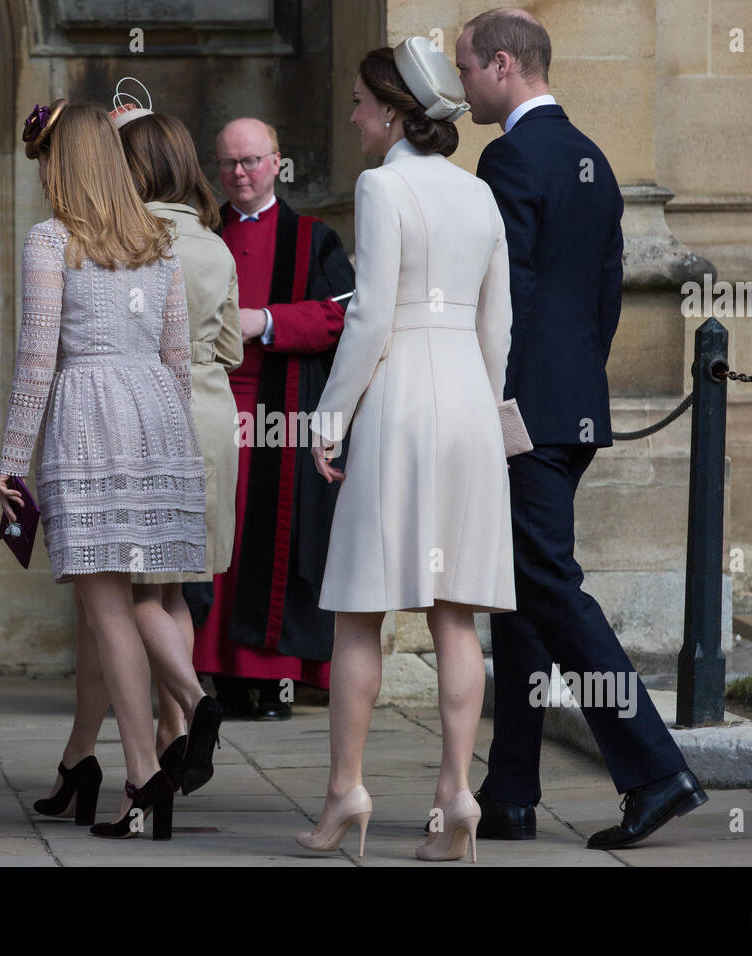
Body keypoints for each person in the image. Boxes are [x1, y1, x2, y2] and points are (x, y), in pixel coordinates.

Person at [457, 8, 707, 849]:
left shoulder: (508, 156)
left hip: (523, 410)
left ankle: (654, 768)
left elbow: (507, 302)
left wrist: (499, 406)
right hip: (574, 406)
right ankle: (512, 794)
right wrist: (569, 393)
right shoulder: (592, 157)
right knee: (522, 594)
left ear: (502, 66)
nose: (462, 88)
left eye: (466, 71)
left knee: (547, 587)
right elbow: (605, 299)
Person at [297, 38, 513, 863]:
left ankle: (345, 789)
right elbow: (499, 325)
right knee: (454, 609)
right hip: (466, 402)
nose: (352, 115)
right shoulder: (479, 194)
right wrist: (484, 410)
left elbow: (371, 313)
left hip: (400, 406)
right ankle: (457, 793)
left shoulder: (381, 186)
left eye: (359, 101)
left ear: (391, 112)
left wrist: (329, 416)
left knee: (360, 609)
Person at [0, 101, 221, 840]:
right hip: (156, 414)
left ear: (64, 164)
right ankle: (176, 720)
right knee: (145, 596)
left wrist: (11, 460)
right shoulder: (158, 242)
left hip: (89, 414)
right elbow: (179, 360)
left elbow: (37, 356)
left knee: (106, 608)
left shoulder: (50, 239)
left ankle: (146, 770)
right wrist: (172, 445)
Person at [192, 116, 355, 720]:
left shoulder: (313, 238)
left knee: (273, 539)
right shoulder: (201, 232)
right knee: (221, 543)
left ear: (277, 163)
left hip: (281, 408)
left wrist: (268, 322)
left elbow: (343, 317)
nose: (240, 173)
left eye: (252, 161)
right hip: (212, 405)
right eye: (229, 163)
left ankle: (272, 680)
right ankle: (220, 677)